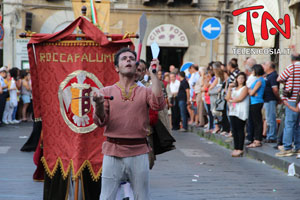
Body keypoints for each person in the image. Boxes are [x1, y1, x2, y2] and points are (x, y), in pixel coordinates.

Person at [93, 47, 165, 200]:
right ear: (116, 67)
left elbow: (158, 104)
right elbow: (100, 121)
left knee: (141, 197)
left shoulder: (145, 91)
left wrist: (154, 74)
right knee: (106, 197)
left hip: (139, 151)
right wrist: (99, 104)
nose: (128, 60)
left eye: (131, 59)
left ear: (136, 67)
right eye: (124, 58)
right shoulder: (105, 92)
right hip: (112, 151)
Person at [276, 53, 300, 157]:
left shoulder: (291, 67)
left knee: (289, 124)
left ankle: (287, 148)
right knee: (298, 125)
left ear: (292, 60)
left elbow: (279, 79)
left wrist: (287, 83)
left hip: (292, 100)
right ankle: (298, 147)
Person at [226, 72, 249, 157]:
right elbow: (227, 98)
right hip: (233, 110)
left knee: (240, 129)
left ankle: (240, 148)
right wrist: (229, 88)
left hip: (241, 110)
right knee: (234, 130)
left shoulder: (245, 88)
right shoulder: (234, 88)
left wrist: (231, 100)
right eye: (239, 78)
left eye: (242, 78)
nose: (241, 80)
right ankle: (236, 147)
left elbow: (240, 98)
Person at [247, 64, 266, 148]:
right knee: (254, 121)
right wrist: (251, 91)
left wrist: (251, 91)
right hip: (254, 101)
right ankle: (255, 139)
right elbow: (251, 91)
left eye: (253, 70)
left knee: (257, 121)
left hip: (257, 102)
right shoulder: (258, 80)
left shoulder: (260, 81)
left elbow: (251, 92)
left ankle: (258, 140)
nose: (252, 72)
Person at [262, 61, 280, 143]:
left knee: (271, 118)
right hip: (267, 99)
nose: (264, 66)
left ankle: (272, 136)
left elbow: (275, 89)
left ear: (270, 67)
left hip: (270, 99)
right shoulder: (268, 76)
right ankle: (270, 135)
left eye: (265, 64)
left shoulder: (273, 76)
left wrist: (278, 99)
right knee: (268, 118)